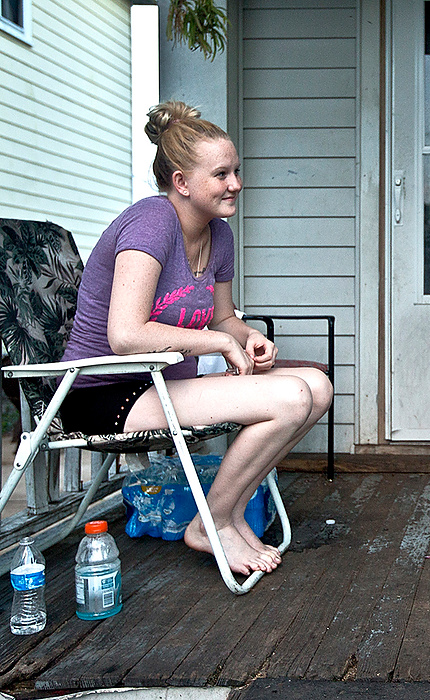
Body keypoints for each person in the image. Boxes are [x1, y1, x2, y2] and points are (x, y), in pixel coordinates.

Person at [60, 101, 333, 576]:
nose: (235, 184)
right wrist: (217, 344)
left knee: (319, 389)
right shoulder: (151, 223)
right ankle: (211, 524)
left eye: (236, 171)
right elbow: (125, 335)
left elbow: (224, 319)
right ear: (182, 182)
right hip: (103, 389)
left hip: (163, 385)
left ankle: (223, 514)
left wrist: (246, 337)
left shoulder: (219, 235)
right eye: (221, 174)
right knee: (290, 396)